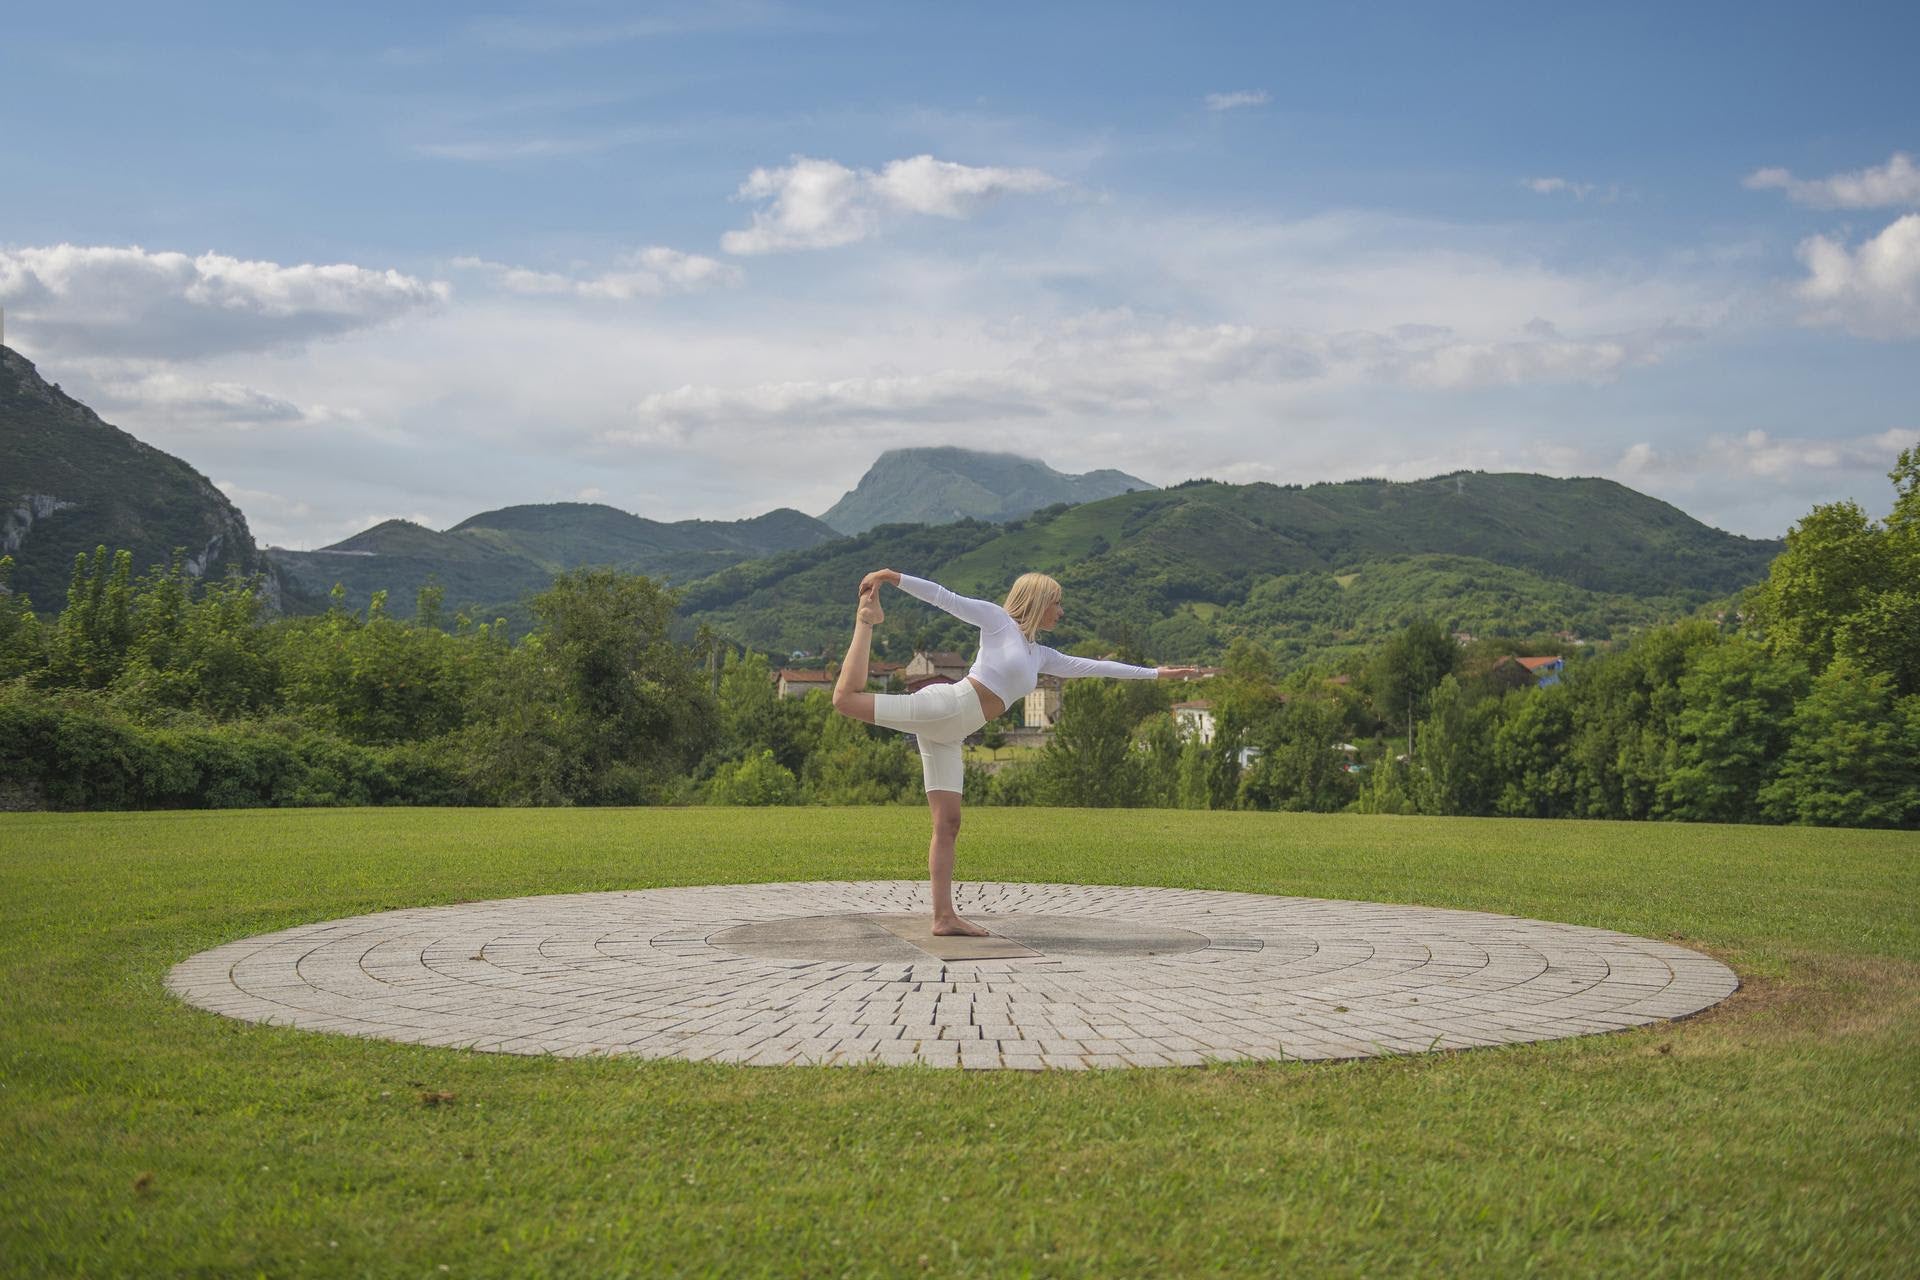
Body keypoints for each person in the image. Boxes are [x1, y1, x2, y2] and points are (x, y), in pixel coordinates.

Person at [830, 569, 1202, 937]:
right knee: (846, 700)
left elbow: (1094, 667)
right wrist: (894, 577)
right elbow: (944, 597)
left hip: (951, 735)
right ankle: (867, 620)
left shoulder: (1039, 654)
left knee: (949, 823)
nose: (1061, 611)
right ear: (1039, 601)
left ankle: (943, 917)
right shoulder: (996, 621)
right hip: (944, 708)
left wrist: (1156, 674)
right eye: (1057, 602)